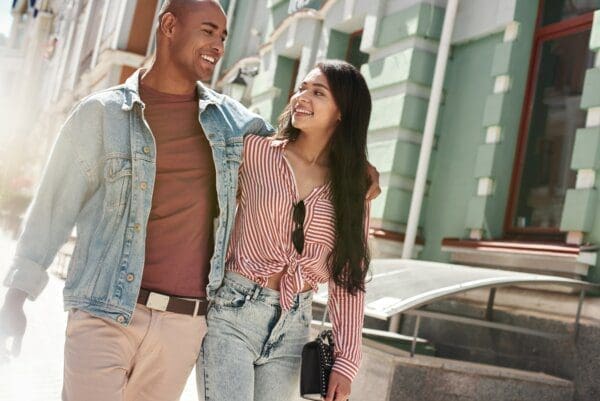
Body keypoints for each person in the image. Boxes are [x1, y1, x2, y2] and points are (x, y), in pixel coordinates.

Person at [0, 1, 381, 400]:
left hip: (225, 323)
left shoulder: (235, 126)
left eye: (223, 36)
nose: (217, 44)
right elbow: (52, 209)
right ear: (169, 26)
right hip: (134, 309)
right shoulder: (108, 115)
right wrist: (17, 294)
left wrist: (358, 168)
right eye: (208, 31)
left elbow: (346, 272)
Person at [201, 60, 371, 401]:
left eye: (318, 92)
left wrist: (345, 362)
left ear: (342, 112)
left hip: (294, 329)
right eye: (301, 88)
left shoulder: (353, 189)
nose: (301, 97)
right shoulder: (255, 152)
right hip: (233, 313)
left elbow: (348, 280)